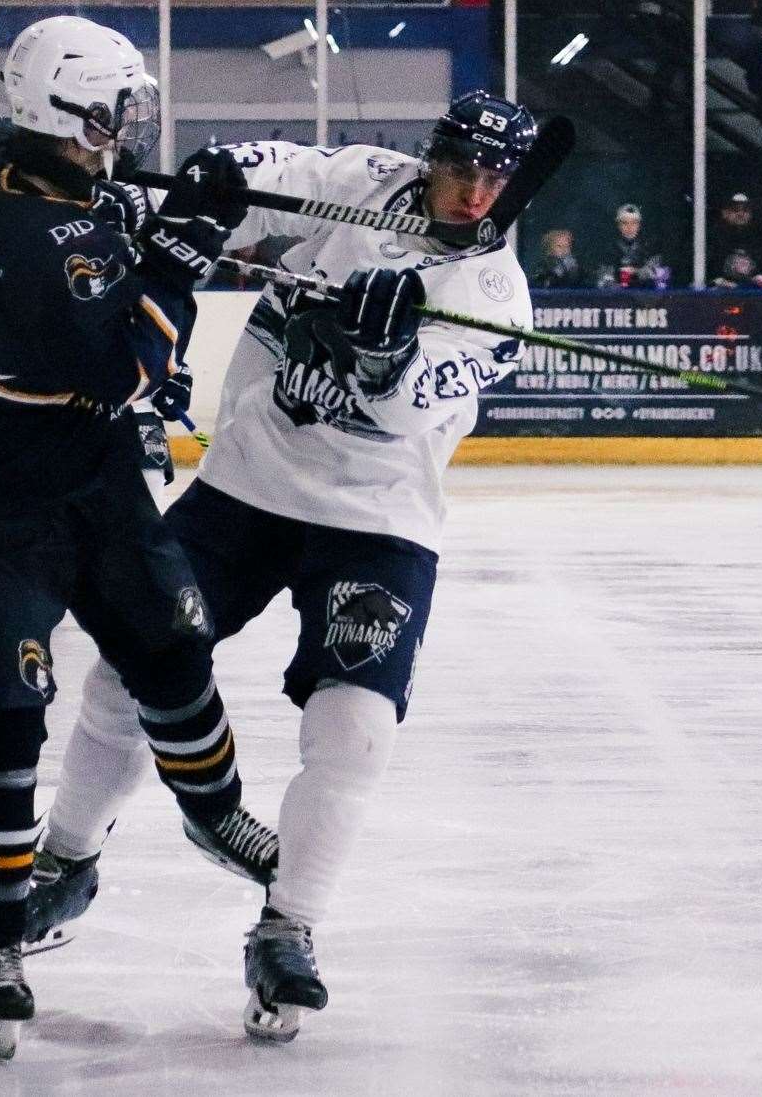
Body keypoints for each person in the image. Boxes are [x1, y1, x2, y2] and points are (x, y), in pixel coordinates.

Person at [27, 89, 538, 1044]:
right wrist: (205, 189)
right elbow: (254, 182)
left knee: (354, 728)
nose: (473, 192)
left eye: (493, 177)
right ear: (431, 157)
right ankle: (67, 859)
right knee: (129, 660)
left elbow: (396, 413)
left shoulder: (493, 300)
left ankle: (289, 926)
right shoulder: (359, 183)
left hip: (376, 521)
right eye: (460, 167)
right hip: (244, 490)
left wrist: (387, 347)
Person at [0, 15, 278, 1058]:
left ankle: (214, 810)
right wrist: (177, 256)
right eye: (117, 108)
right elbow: (123, 370)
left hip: (91, 475)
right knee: (1, 732)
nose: (132, 122)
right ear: (69, 111)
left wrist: (109, 209)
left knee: (172, 647)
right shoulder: (43, 237)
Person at [708, 193, 762, 289]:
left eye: (745, 210)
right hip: (719, 295)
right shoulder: (712, 239)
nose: (740, 214)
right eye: (735, 210)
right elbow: (706, 275)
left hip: (756, 295)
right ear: (724, 213)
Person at [594, 203, 667, 289]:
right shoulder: (610, 248)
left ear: (639, 225)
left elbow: (660, 275)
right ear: (618, 225)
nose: (629, 227)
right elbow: (603, 279)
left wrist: (636, 272)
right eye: (625, 223)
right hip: (618, 296)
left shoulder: (650, 246)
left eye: (634, 223)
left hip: (645, 295)